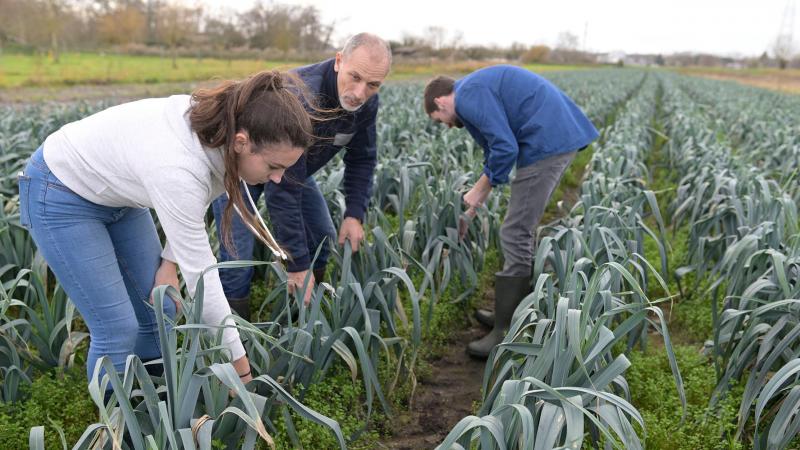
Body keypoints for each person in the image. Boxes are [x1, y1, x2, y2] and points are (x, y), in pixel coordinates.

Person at [16, 70, 313, 392]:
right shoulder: (178, 168)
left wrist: (169, 265)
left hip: (119, 195)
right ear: (242, 142)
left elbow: (190, 208)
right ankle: (118, 431)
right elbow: (204, 281)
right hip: (60, 192)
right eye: (274, 167)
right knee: (117, 329)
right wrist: (241, 374)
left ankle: (151, 404)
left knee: (162, 308)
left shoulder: (222, 136)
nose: (279, 178)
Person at [208, 32, 392, 316]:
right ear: (338, 61)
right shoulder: (303, 98)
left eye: (373, 85)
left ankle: (303, 317)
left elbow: (363, 157)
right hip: (245, 170)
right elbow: (282, 192)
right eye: (354, 77)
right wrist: (296, 265)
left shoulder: (366, 103)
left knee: (321, 236)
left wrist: (354, 213)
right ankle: (233, 340)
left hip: (294, 172)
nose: (360, 92)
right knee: (238, 260)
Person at [423, 65, 599, 358]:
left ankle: (507, 331)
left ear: (440, 102)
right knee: (518, 227)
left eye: (438, 119)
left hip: (547, 143)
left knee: (515, 229)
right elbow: (496, 149)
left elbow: (505, 149)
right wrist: (477, 201)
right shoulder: (474, 90)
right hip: (551, 137)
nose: (445, 124)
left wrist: (478, 191)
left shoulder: (467, 96)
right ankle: (513, 312)